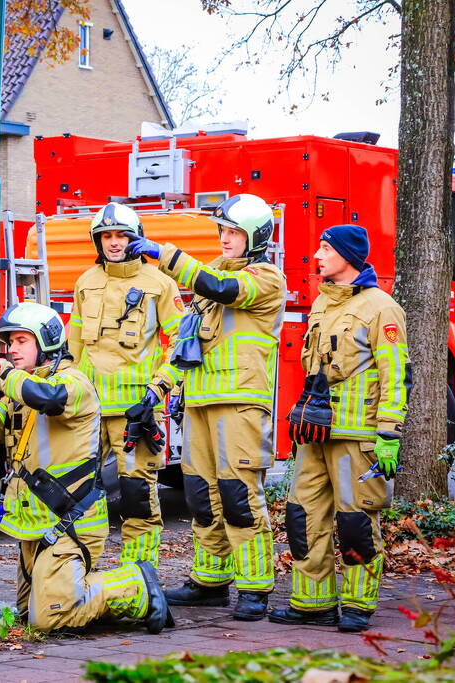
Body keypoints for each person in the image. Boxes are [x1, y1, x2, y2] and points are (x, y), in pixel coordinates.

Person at [128, 194, 285, 621]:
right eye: (224, 231)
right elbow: (185, 343)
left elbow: (224, 289)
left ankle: (255, 588)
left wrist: (166, 255)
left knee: (238, 495)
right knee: (200, 496)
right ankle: (210, 582)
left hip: (239, 402)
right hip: (198, 401)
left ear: (255, 237)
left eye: (235, 232)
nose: (226, 238)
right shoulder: (208, 277)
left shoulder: (266, 278)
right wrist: (158, 390)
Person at [0, 302, 171, 633]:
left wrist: (3, 375)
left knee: (49, 618)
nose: (11, 350)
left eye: (20, 341)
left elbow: (48, 398)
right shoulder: (19, 388)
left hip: (70, 521)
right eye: (8, 343)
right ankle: (86, 591)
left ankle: (136, 584)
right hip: (34, 522)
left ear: (46, 342)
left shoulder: (73, 384)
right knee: (26, 614)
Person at [269, 224, 411, 632]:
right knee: (302, 515)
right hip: (315, 435)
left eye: (325, 248)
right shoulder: (321, 304)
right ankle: (312, 603)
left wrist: (388, 433)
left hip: (359, 438)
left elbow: (396, 373)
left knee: (355, 523)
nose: (316, 255)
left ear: (347, 256)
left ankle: (357, 605)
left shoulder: (382, 307)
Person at [68, 202, 183, 567]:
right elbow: (72, 347)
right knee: (79, 491)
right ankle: (82, 570)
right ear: (96, 241)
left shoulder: (160, 284)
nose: (114, 243)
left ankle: (140, 577)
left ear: (135, 239)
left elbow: (183, 343)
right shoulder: (85, 282)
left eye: (121, 235)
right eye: (106, 236)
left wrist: (160, 388)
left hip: (138, 413)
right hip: (89, 412)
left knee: (137, 497)